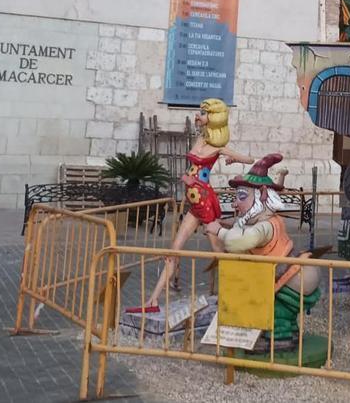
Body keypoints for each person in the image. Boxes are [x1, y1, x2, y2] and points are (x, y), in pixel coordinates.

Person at [130, 98, 252, 313]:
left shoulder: (218, 147)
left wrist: (234, 159)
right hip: (195, 203)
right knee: (174, 251)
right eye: (200, 112)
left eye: (203, 113)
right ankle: (153, 301)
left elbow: (249, 159)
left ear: (213, 118)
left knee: (218, 252)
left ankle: (241, 293)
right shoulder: (200, 140)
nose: (198, 116)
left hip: (204, 201)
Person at [204, 154, 321, 348]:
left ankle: (279, 341)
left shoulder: (265, 226)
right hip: (284, 274)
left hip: (288, 279)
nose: (235, 203)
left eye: (242, 197)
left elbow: (240, 241)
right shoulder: (262, 219)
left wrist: (220, 231)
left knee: (276, 311)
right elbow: (243, 226)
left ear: (263, 195)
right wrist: (226, 224)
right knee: (274, 307)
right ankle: (286, 334)